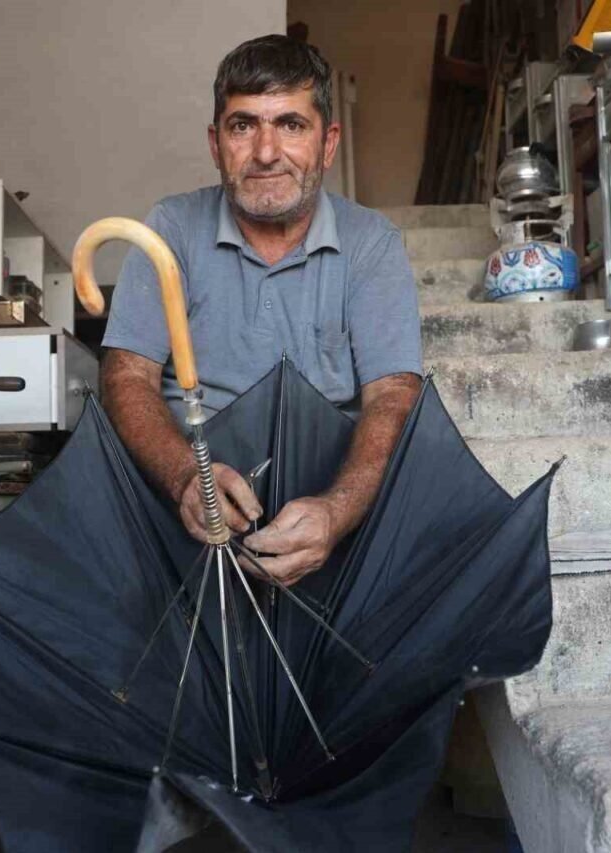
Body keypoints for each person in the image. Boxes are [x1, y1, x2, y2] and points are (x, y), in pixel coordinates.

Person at [101, 34, 422, 586]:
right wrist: (184, 478)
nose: (266, 152)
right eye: (243, 126)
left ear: (328, 143)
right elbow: (126, 376)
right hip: (185, 507)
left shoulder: (372, 243)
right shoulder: (171, 229)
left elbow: (393, 395)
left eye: (291, 125)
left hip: (328, 504)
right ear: (215, 143)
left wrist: (337, 511)